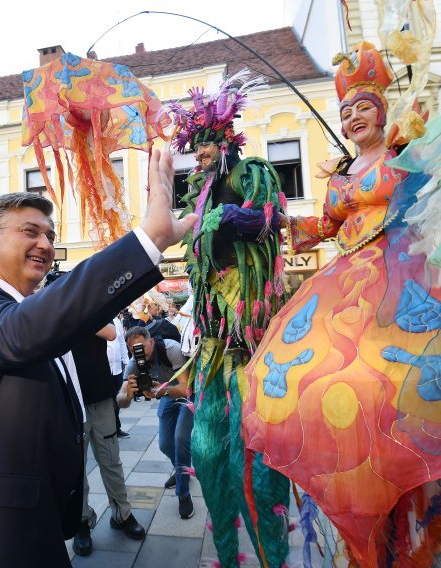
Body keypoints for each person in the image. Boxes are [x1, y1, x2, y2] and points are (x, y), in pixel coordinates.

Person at [241, 42, 441, 565]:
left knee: (410, 382)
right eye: (345, 112)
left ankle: (416, 501)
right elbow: (322, 228)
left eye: (362, 107)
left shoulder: (406, 153)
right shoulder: (339, 177)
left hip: (406, 274)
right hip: (344, 286)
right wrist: (280, 225)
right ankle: (366, 503)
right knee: (326, 380)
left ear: (382, 111)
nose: (353, 117)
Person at [0, 147, 197, 568]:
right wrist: (148, 241)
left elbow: (56, 319)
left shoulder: (27, 306)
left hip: (28, 511)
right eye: (30, 232)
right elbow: (23, 330)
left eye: (50, 235)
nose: (45, 244)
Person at [167, 72, 290, 566]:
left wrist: (225, 219)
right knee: (208, 452)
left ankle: (271, 554)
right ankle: (224, 550)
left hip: (254, 339)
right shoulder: (199, 197)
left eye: (205, 151)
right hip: (216, 342)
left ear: (225, 144)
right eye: (193, 155)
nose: (198, 160)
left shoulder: (249, 173)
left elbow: (270, 216)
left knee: (255, 466)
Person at [71, 324, 145, 557]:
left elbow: (111, 333)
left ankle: (122, 514)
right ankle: (81, 522)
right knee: (76, 469)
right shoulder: (55, 300)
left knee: (111, 460)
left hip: (102, 397)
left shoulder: (92, 307)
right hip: (72, 400)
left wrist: (79, 309)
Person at [122, 327, 191, 518]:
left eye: (142, 346)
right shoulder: (134, 363)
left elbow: (185, 389)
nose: (138, 352)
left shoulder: (171, 349)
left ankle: (183, 493)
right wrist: (127, 395)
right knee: (165, 444)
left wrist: (160, 391)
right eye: (133, 349)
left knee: (180, 439)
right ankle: (181, 470)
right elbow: (120, 398)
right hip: (167, 395)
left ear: (151, 341)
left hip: (187, 396)